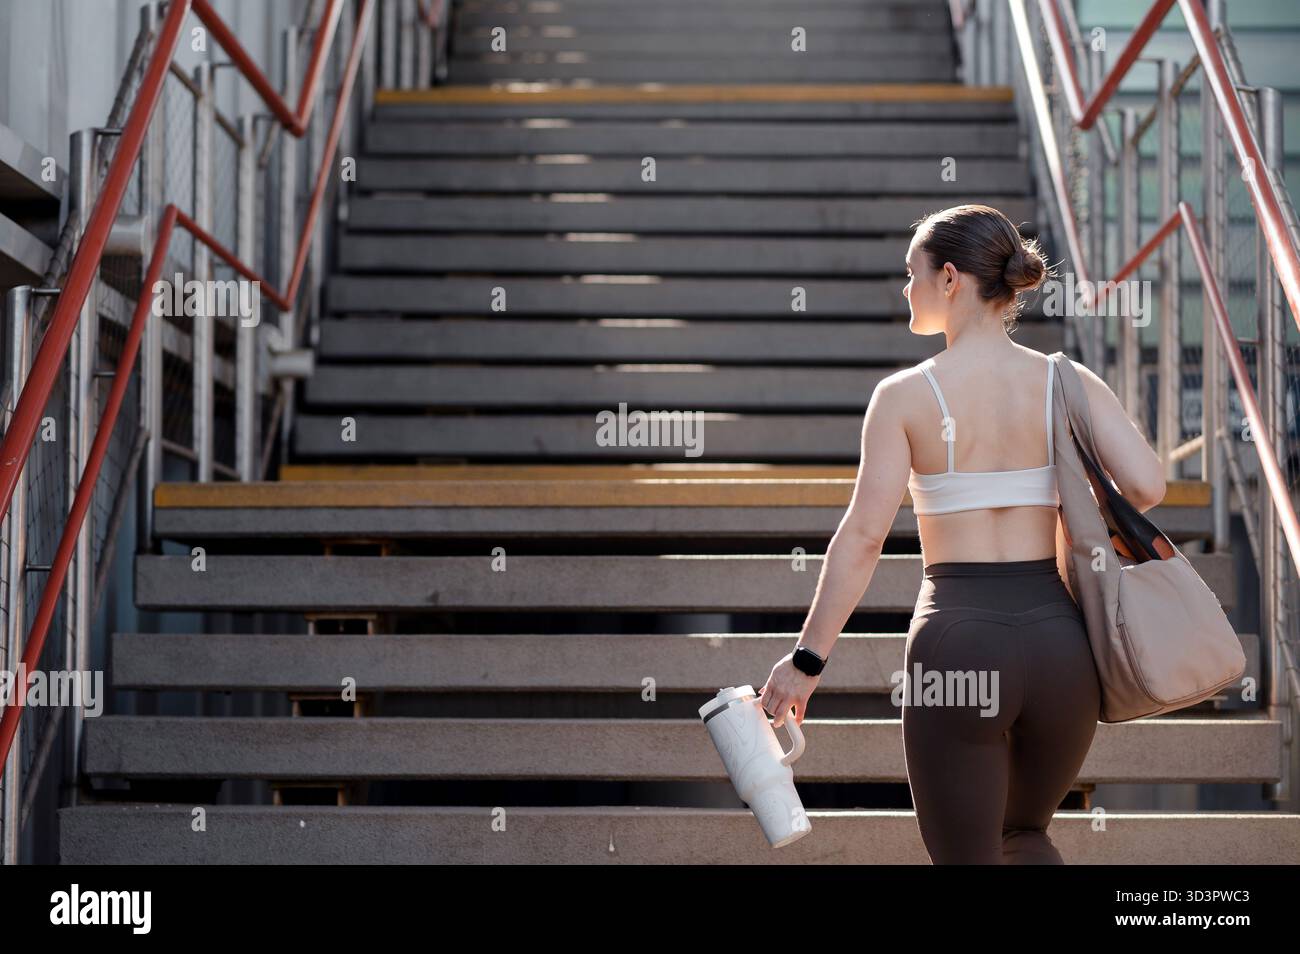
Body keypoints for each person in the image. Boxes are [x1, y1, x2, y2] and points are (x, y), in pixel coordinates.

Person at [756, 204, 1167, 864]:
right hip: (1062, 650)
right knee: (1024, 836)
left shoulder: (904, 396)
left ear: (950, 279)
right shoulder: (1065, 379)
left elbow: (863, 538)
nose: (904, 289)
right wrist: (1060, 498)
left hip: (958, 642)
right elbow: (1147, 487)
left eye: (911, 274)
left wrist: (806, 663)